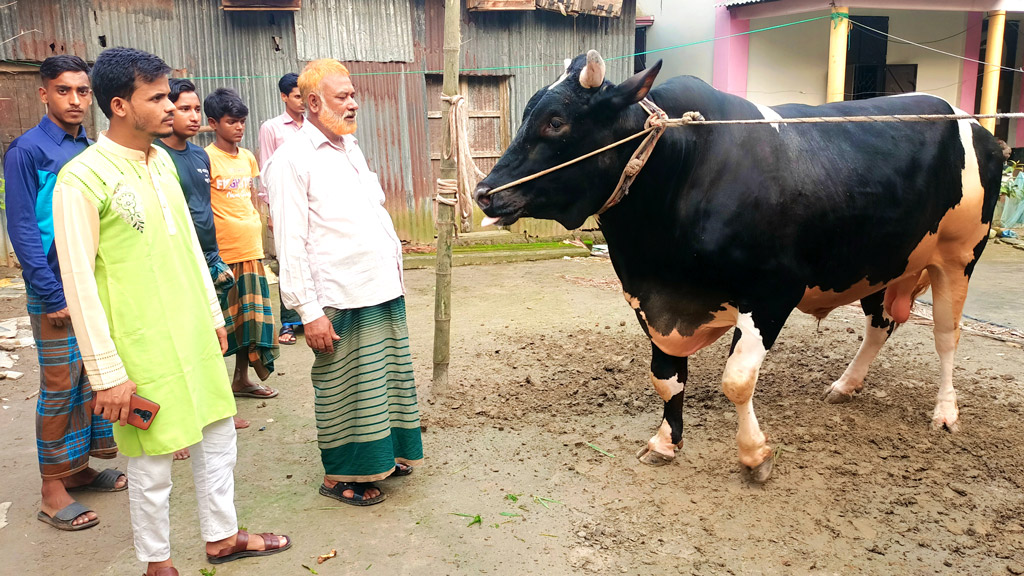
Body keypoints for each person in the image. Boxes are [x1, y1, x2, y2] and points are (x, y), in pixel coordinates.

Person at [52, 47, 290, 576]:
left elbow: (187, 248)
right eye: (156, 97)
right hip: (139, 346)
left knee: (217, 434)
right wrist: (107, 374)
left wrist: (213, 316)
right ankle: (156, 562)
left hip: (193, 332)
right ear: (119, 105)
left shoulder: (164, 164)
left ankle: (222, 536)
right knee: (152, 458)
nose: (169, 106)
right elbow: (80, 286)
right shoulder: (82, 179)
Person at [264, 59, 423, 506]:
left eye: (353, 95)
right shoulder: (291, 160)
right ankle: (341, 476)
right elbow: (290, 243)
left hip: (378, 287)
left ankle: (383, 456)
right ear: (313, 103)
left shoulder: (349, 147)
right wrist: (307, 312)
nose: (353, 103)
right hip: (338, 295)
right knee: (346, 385)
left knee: (384, 378)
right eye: (342, 97)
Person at [3, 54, 126, 531]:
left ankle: (76, 470)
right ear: (44, 94)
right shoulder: (27, 151)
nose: (75, 100)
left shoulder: (90, 148)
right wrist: (52, 295)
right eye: (63, 91)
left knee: (89, 378)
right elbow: (23, 229)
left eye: (81, 91)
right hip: (56, 290)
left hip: (93, 285)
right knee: (58, 386)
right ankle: (51, 489)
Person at [155, 78, 250, 441]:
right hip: (176, 260)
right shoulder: (156, 155)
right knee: (178, 339)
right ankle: (177, 421)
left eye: (196, 109)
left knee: (214, 337)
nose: (192, 116)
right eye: (184, 109)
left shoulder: (199, 156)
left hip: (209, 257)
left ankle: (216, 411)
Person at [204, 87, 280, 400]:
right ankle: (212, 389)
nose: (239, 127)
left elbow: (250, 197)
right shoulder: (206, 158)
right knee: (220, 320)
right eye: (232, 121)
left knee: (250, 321)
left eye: (242, 121)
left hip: (251, 249)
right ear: (213, 123)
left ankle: (241, 378)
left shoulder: (248, 157)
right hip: (224, 252)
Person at [258, 72, 304, 345]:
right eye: (296, 96)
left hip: (310, 205)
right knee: (287, 263)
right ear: (284, 96)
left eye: (304, 96)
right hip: (284, 206)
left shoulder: (312, 126)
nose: (302, 102)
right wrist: (273, 212)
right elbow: (266, 172)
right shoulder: (272, 128)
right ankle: (287, 324)